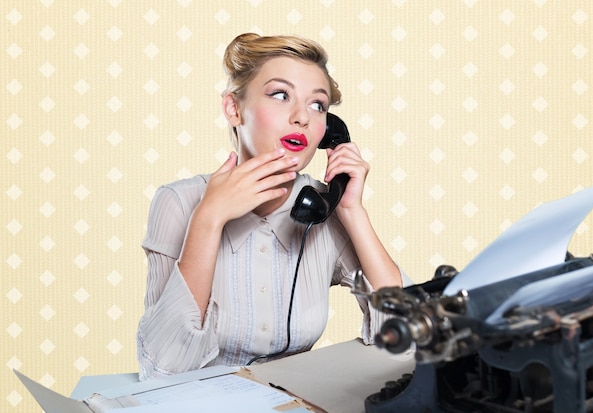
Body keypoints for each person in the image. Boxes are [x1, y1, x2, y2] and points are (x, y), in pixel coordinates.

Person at [136, 33, 409, 381]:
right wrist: (208, 219)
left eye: (318, 105)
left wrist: (353, 211)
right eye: (281, 95)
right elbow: (161, 368)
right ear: (234, 109)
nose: (302, 118)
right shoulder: (179, 202)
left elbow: (409, 335)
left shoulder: (321, 207)